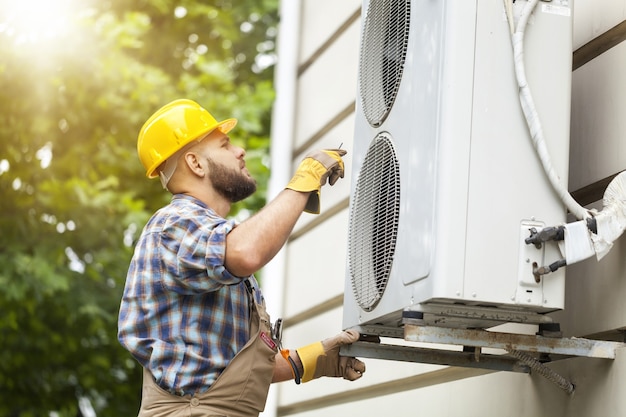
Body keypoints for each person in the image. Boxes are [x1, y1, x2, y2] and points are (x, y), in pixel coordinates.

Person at [117, 99, 366, 417]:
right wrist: (304, 180)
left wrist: (315, 359)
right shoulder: (175, 224)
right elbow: (247, 252)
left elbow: (227, 375)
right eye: (225, 145)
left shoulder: (209, 249)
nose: (240, 152)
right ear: (196, 164)